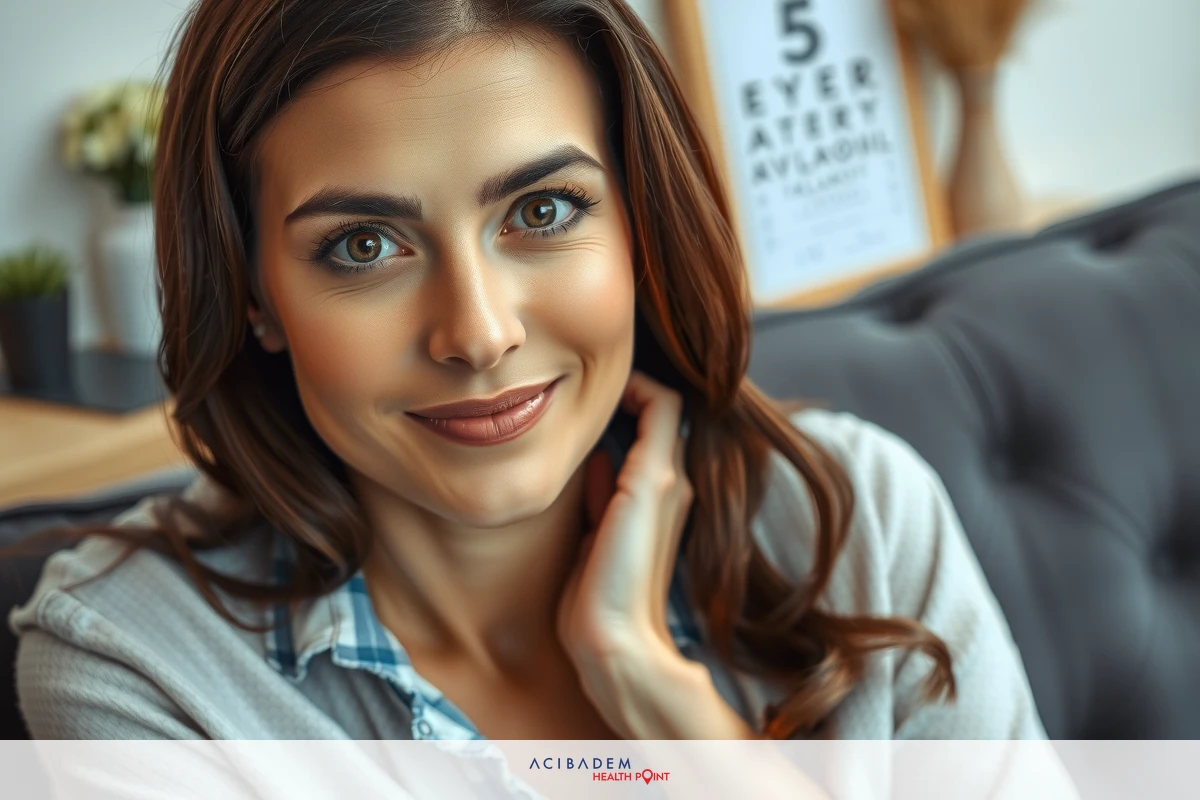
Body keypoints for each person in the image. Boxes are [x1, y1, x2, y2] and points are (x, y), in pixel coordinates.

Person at [11, 0, 1046, 752]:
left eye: (542, 211)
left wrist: (664, 699)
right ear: (251, 291)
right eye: (365, 245)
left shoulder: (858, 520)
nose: (479, 331)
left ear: (639, 219)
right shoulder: (137, 671)